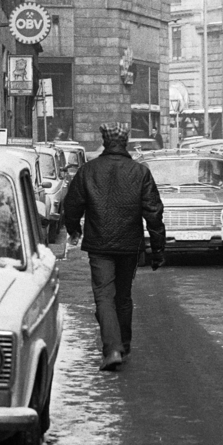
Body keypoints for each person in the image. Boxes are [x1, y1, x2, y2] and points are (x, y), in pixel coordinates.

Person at [62, 122, 166, 371]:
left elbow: (72, 205)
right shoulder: (139, 172)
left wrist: (74, 229)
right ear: (126, 141)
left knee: (104, 296)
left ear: (105, 141)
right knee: (123, 296)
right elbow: (154, 213)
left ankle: (112, 349)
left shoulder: (89, 170)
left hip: (99, 243)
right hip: (129, 244)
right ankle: (124, 344)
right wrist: (158, 250)